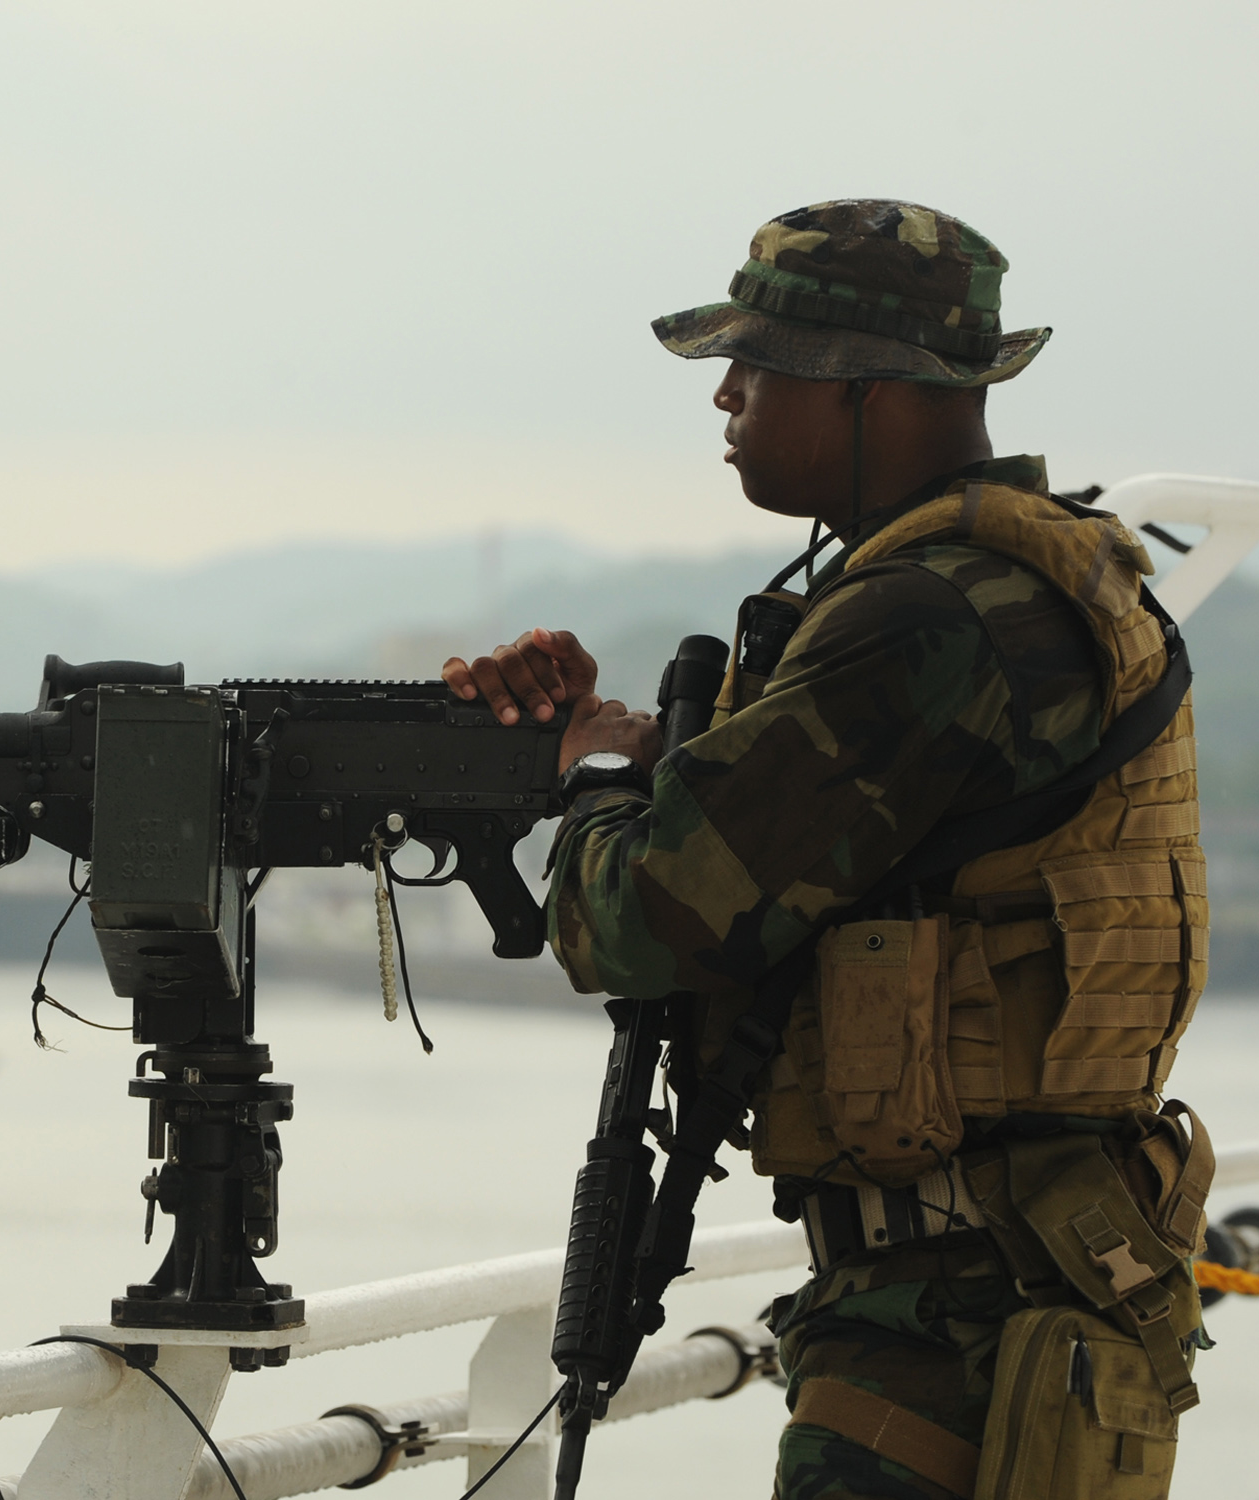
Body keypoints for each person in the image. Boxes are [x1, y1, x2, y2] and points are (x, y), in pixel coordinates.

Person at [444, 200, 1211, 1499]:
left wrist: (602, 779)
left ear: (865, 384)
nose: (727, 395)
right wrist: (609, 747)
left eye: (757, 364)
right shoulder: (1022, 580)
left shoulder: (931, 621)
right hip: (1026, 1285)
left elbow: (644, 915)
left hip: (951, 1328)